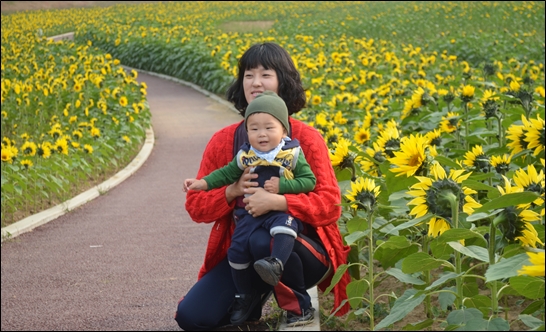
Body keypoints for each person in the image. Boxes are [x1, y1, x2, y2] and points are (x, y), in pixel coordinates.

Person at [175, 42, 351, 330]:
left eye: (266, 74)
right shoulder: (225, 141)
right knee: (193, 318)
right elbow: (196, 206)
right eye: (248, 74)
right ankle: (252, 296)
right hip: (244, 250)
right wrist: (232, 191)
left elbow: (330, 205)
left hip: (300, 251)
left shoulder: (305, 139)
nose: (256, 82)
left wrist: (280, 202)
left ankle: (297, 303)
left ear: (283, 81)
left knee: (263, 240)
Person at [183, 91, 317, 324]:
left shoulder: (292, 153)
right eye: (254, 129)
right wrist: (202, 184)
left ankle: (282, 275)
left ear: (284, 131)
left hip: (280, 213)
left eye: (269, 128)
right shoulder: (245, 155)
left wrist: (283, 186)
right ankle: (246, 295)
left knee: (282, 232)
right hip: (251, 215)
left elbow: (309, 181)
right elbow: (224, 174)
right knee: (236, 251)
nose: (261, 134)